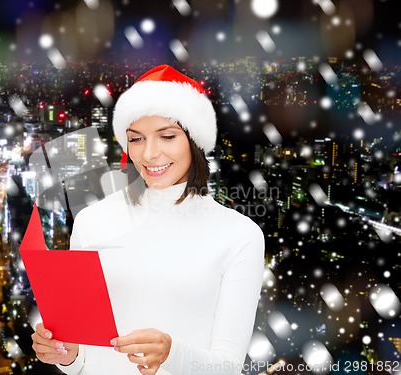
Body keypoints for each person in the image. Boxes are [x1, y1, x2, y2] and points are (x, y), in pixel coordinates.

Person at [31, 64, 265, 375]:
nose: (150, 153)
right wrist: (67, 354)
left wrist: (173, 354)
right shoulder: (92, 221)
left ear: (195, 141)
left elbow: (228, 366)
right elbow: (83, 359)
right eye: (136, 139)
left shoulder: (239, 235)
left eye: (167, 136)